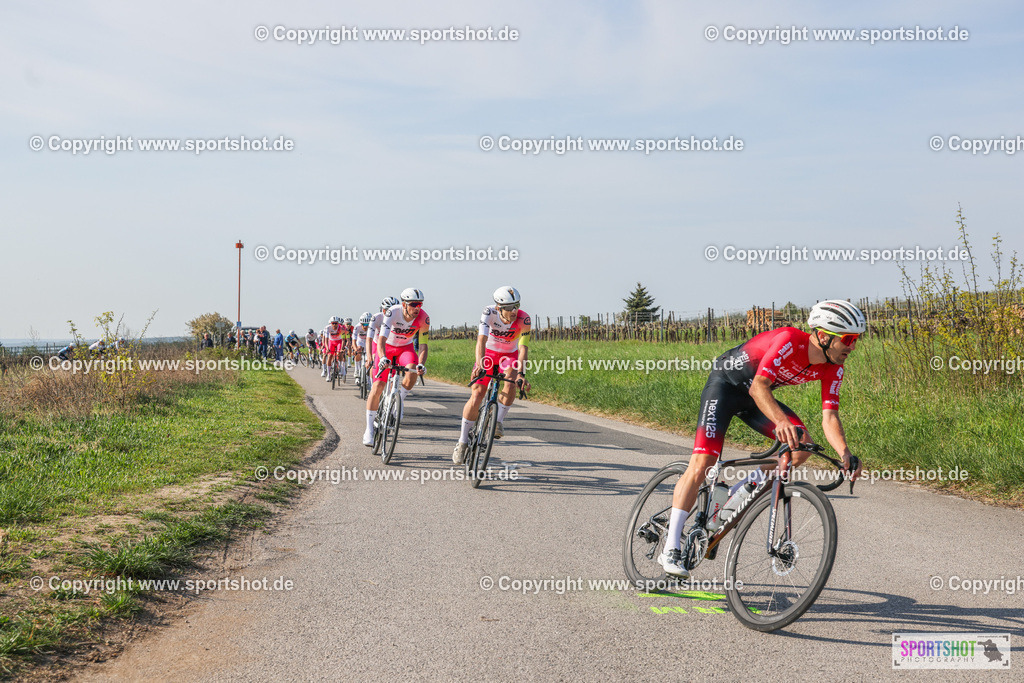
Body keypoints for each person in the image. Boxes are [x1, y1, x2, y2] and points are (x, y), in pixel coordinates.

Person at [658, 300, 866, 579]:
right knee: (704, 462)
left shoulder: (833, 367)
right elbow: (759, 386)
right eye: (849, 339)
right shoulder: (790, 340)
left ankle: (740, 493)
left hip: (756, 398)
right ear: (824, 335)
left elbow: (829, 416)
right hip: (726, 386)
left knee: (800, 447)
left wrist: (845, 453)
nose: (852, 347)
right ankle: (671, 547)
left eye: (857, 340)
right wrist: (781, 421)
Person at [453, 286, 532, 464]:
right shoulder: (488, 312)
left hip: (508, 357)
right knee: (477, 394)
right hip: (489, 354)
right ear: (499, 307)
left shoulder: (524, 319)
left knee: (511, 377)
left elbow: (523, 347)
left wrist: (521, 373)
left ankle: (498, 421)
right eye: (510, 307)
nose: (514, 311)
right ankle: (463, 442)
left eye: (516, 306)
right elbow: (481, 339)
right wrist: (480, 362)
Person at [363, 289, 429, 446]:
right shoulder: (392, 312)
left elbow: (424, 345)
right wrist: (382, 357)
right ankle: (369, 430)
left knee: (412, 368)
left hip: (405, 349)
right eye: (413, 304)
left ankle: (400, 400)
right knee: (378, 386)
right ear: (404, 304)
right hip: (388, 348)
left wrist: (421, 364)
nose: (417, 308)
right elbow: (381, 340)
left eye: (419, 304)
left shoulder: (424, 318)